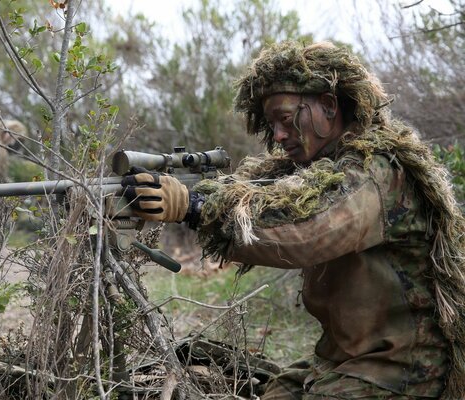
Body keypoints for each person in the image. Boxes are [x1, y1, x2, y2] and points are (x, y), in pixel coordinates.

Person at [121, 41, 465, 399]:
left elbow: (307, 233)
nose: (280, 136)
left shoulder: (376, 170)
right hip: (340, 359)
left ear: (329, 106)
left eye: (285, 120)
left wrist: (194, 207)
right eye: (272, 125)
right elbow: (262, 199)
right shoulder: (319, 170)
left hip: (404, 368)